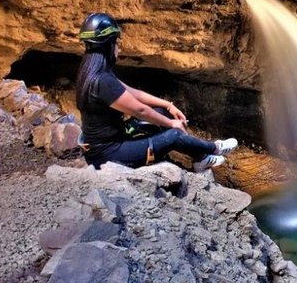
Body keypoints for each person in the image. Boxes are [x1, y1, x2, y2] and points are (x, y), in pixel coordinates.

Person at [75, 13, 237, 171]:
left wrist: (168, 105)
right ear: (108, 46)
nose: (118, 47)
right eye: (116, 42)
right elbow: (140, 110)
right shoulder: (102, 81)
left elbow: (134, 94)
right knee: (173, 135)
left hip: (113, 140)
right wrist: (171, 123)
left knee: (161, 112)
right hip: (108, 153)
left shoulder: (92, 73)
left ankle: (200, 159)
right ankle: (214, 148)